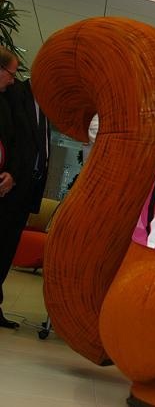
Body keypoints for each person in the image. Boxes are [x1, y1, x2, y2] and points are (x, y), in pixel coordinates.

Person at [0, 48, 50, 329]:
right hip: (10, 187)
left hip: (26, 191)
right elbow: (13, 141)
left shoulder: (46, 107)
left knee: (7, 250)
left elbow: (39, 148)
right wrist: (13, 173)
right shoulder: (15, 94)